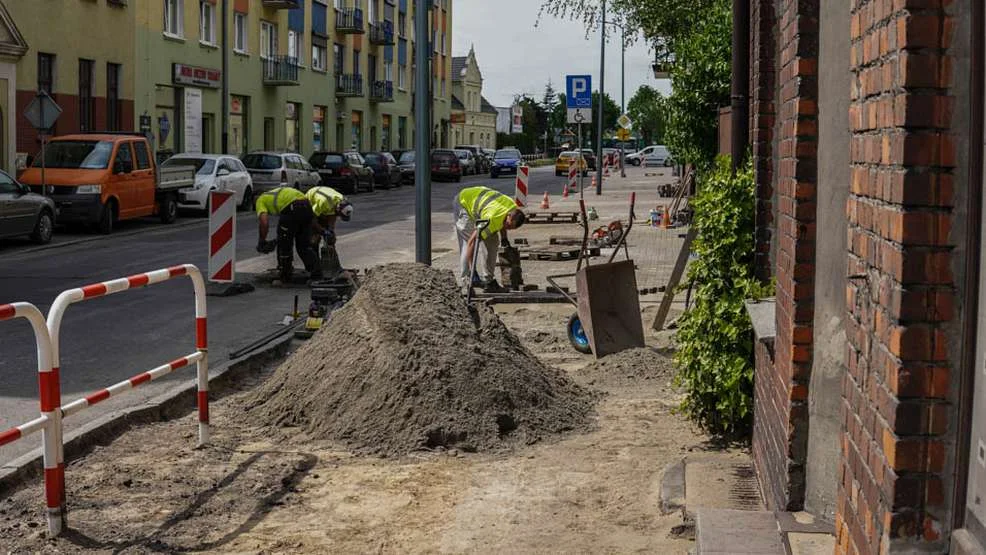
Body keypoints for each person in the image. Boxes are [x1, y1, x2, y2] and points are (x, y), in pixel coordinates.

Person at [453, 186, 526, 292]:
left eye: (510, 228)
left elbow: (503, 222)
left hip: (483, 206)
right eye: (508, 226)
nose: (507, 228)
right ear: (509, 216)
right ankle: (467, 281)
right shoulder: (491, 219)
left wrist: (504, 238)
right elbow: (471, 243)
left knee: (493, 241)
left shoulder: (512, 207)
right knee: (468, 241)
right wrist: (473, 272)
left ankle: (489, 281)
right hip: (464, 203)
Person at [255, 186, 321, 282]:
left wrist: (262, 240)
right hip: (306, 206)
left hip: (292, 208)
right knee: (304, 246)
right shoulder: (275, 193)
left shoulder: (260, 200)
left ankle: (285, 274)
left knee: (284, 244)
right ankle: (316, 274)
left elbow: (264, 223)